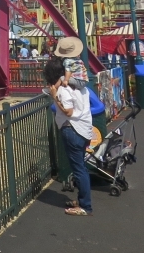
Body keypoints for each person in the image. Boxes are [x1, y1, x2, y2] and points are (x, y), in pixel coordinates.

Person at [44, 57, 93, 216]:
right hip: (83, 128)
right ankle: (82, 199)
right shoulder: (80, 87)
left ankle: (85, 206)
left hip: (72, 129)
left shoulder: (64, 90)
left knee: (78, 169)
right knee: (81, 168)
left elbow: (68, 112)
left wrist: (54, 97)